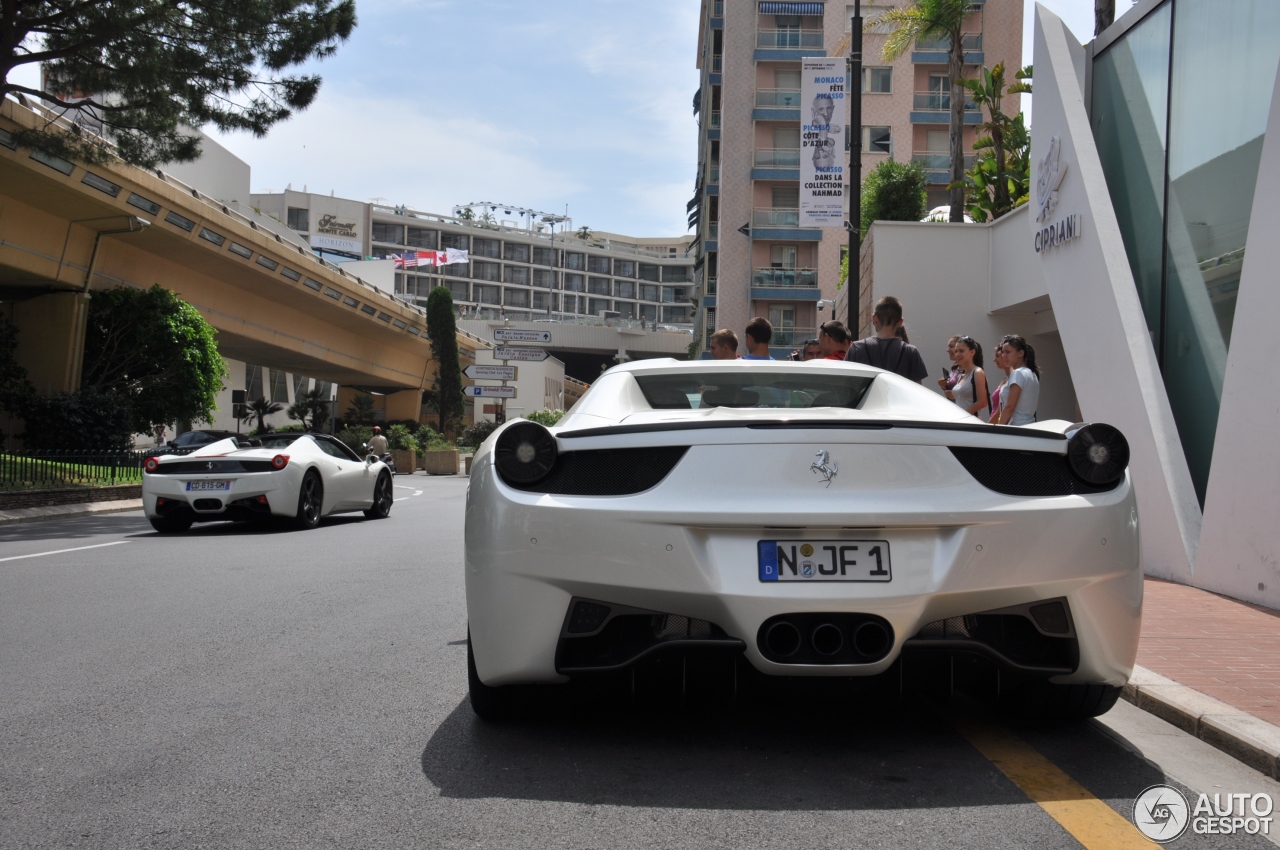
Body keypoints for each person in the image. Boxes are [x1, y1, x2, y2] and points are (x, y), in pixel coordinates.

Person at [845, 296, 929, 383]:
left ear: (874, 317)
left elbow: (846, 384)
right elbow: (917, 389)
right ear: (900, 321)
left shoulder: (856, 348)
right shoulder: (910, 352)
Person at [992, 335, 1040, 426]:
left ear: (1021, 353)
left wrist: (999, 429)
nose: (1004, 356)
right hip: (1029, 427)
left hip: (1016, 429)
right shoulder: (1032, 373)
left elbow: (1010, 406)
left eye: (1008, 352)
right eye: (1003, 352)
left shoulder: (1018, 373)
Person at [945, 336, 989, 420]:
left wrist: (961, 416)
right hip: (961, 422)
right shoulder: (961, 375)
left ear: (972, 352)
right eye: (956, 351)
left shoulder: (977, 372)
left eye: (961, 351)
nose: (957, 354)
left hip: (971, 423)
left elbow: (983, 402)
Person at [987, 340, 1011, 424]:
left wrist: (988, 427)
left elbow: (1003, 409)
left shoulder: (1013, 379)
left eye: (997, 356)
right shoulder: (1005, 378)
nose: (994, 360)